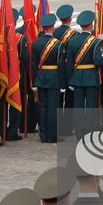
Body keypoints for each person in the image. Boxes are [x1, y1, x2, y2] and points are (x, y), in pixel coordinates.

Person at [32, 13, 64, 143]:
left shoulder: (36, 43)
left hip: (41, 78)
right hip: (54, 78)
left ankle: (43, 135)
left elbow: (33, 65)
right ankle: (52, 135)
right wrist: (62, 83)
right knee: (53, 108)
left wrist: (34, 81)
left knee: (43, 107)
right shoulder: (58, 45)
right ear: (52, 27)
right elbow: (61, 66)